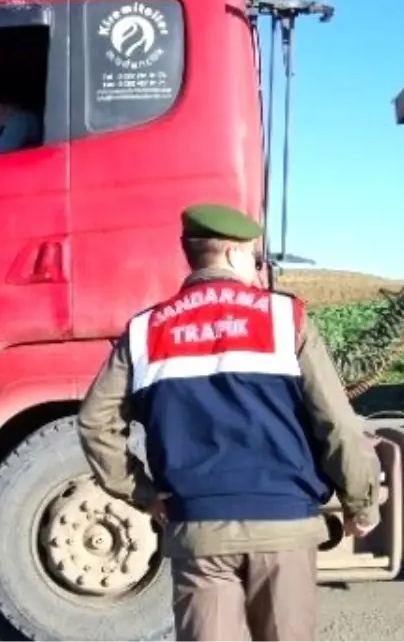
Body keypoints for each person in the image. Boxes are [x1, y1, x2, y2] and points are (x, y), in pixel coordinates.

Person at [76, 203, 382, 642]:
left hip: (198, 526)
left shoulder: (146, 331)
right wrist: (361, 502)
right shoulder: (285, 318)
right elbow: (335, 423)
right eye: (257, 260)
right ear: (237, 253)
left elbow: (94, 423)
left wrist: (142, 492)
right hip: (284, 526)